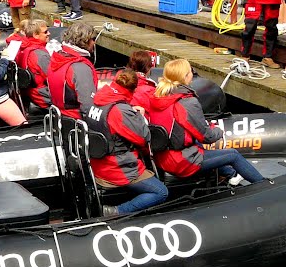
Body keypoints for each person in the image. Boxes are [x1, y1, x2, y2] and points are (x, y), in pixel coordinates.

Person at [147, 59, 267, 187]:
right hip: (181, 161)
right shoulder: (187, 103)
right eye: (191, 72)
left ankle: (231, 175)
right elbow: (206, 136)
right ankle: (264, 186)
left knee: (199, 146)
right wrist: (219, 131)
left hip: (162, 158)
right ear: (186, 76)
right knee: (233, 155)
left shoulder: (157, 96)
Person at [86, 69, 168, 217]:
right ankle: (116, 211)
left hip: (97, 165)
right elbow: (144, 138)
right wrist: (139, 117)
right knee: (161, 192)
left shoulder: (97, 101)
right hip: (117, 169)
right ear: (133, 89)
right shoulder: (120, 111)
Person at [47, 22, 99, 119]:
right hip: (76, 121)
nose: (94, 43)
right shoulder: (80, 68)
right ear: (85, 40)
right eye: (93, 39)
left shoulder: (57, 58)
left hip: (58, 116)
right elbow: (88, 106)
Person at [15, 19, 52, 111]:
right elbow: (51, 78)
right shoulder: (40, 54)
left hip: (28, 93)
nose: (49, 33)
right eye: (45, 32)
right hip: (41, 96)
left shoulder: (23, 47)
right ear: (35, 35)